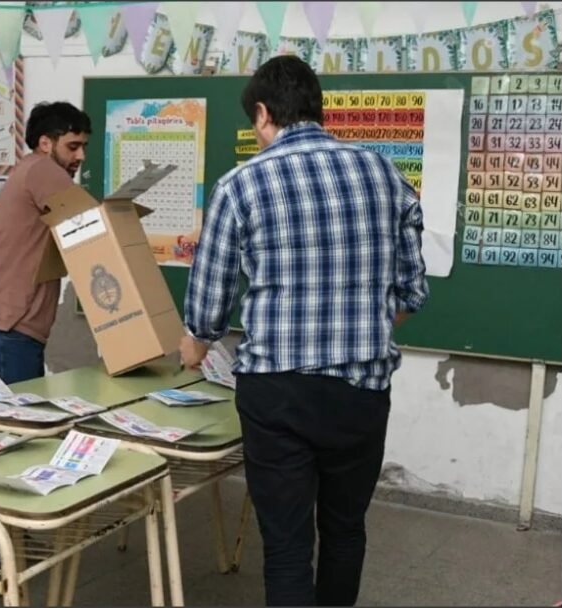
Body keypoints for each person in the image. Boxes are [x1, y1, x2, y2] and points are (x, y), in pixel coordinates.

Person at [180, 55, 428, 606]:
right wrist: (356, 324)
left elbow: (208, 304)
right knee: (345, 530)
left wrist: (194, 344)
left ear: (264, 114)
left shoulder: (240, 184)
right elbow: (411, 291)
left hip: (277, 395)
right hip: (360, 391)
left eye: (254, 124)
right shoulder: (381, 170)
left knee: (288, 546)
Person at [0, 101, 91, 384]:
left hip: (2, 329)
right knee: (17, 424)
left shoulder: (30, 170)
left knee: (19, 422)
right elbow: (92, 226)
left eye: (84, 147)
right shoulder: (43, 170)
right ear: (45, 143)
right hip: (4, 331)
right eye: (72, 146)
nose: (81, 155)